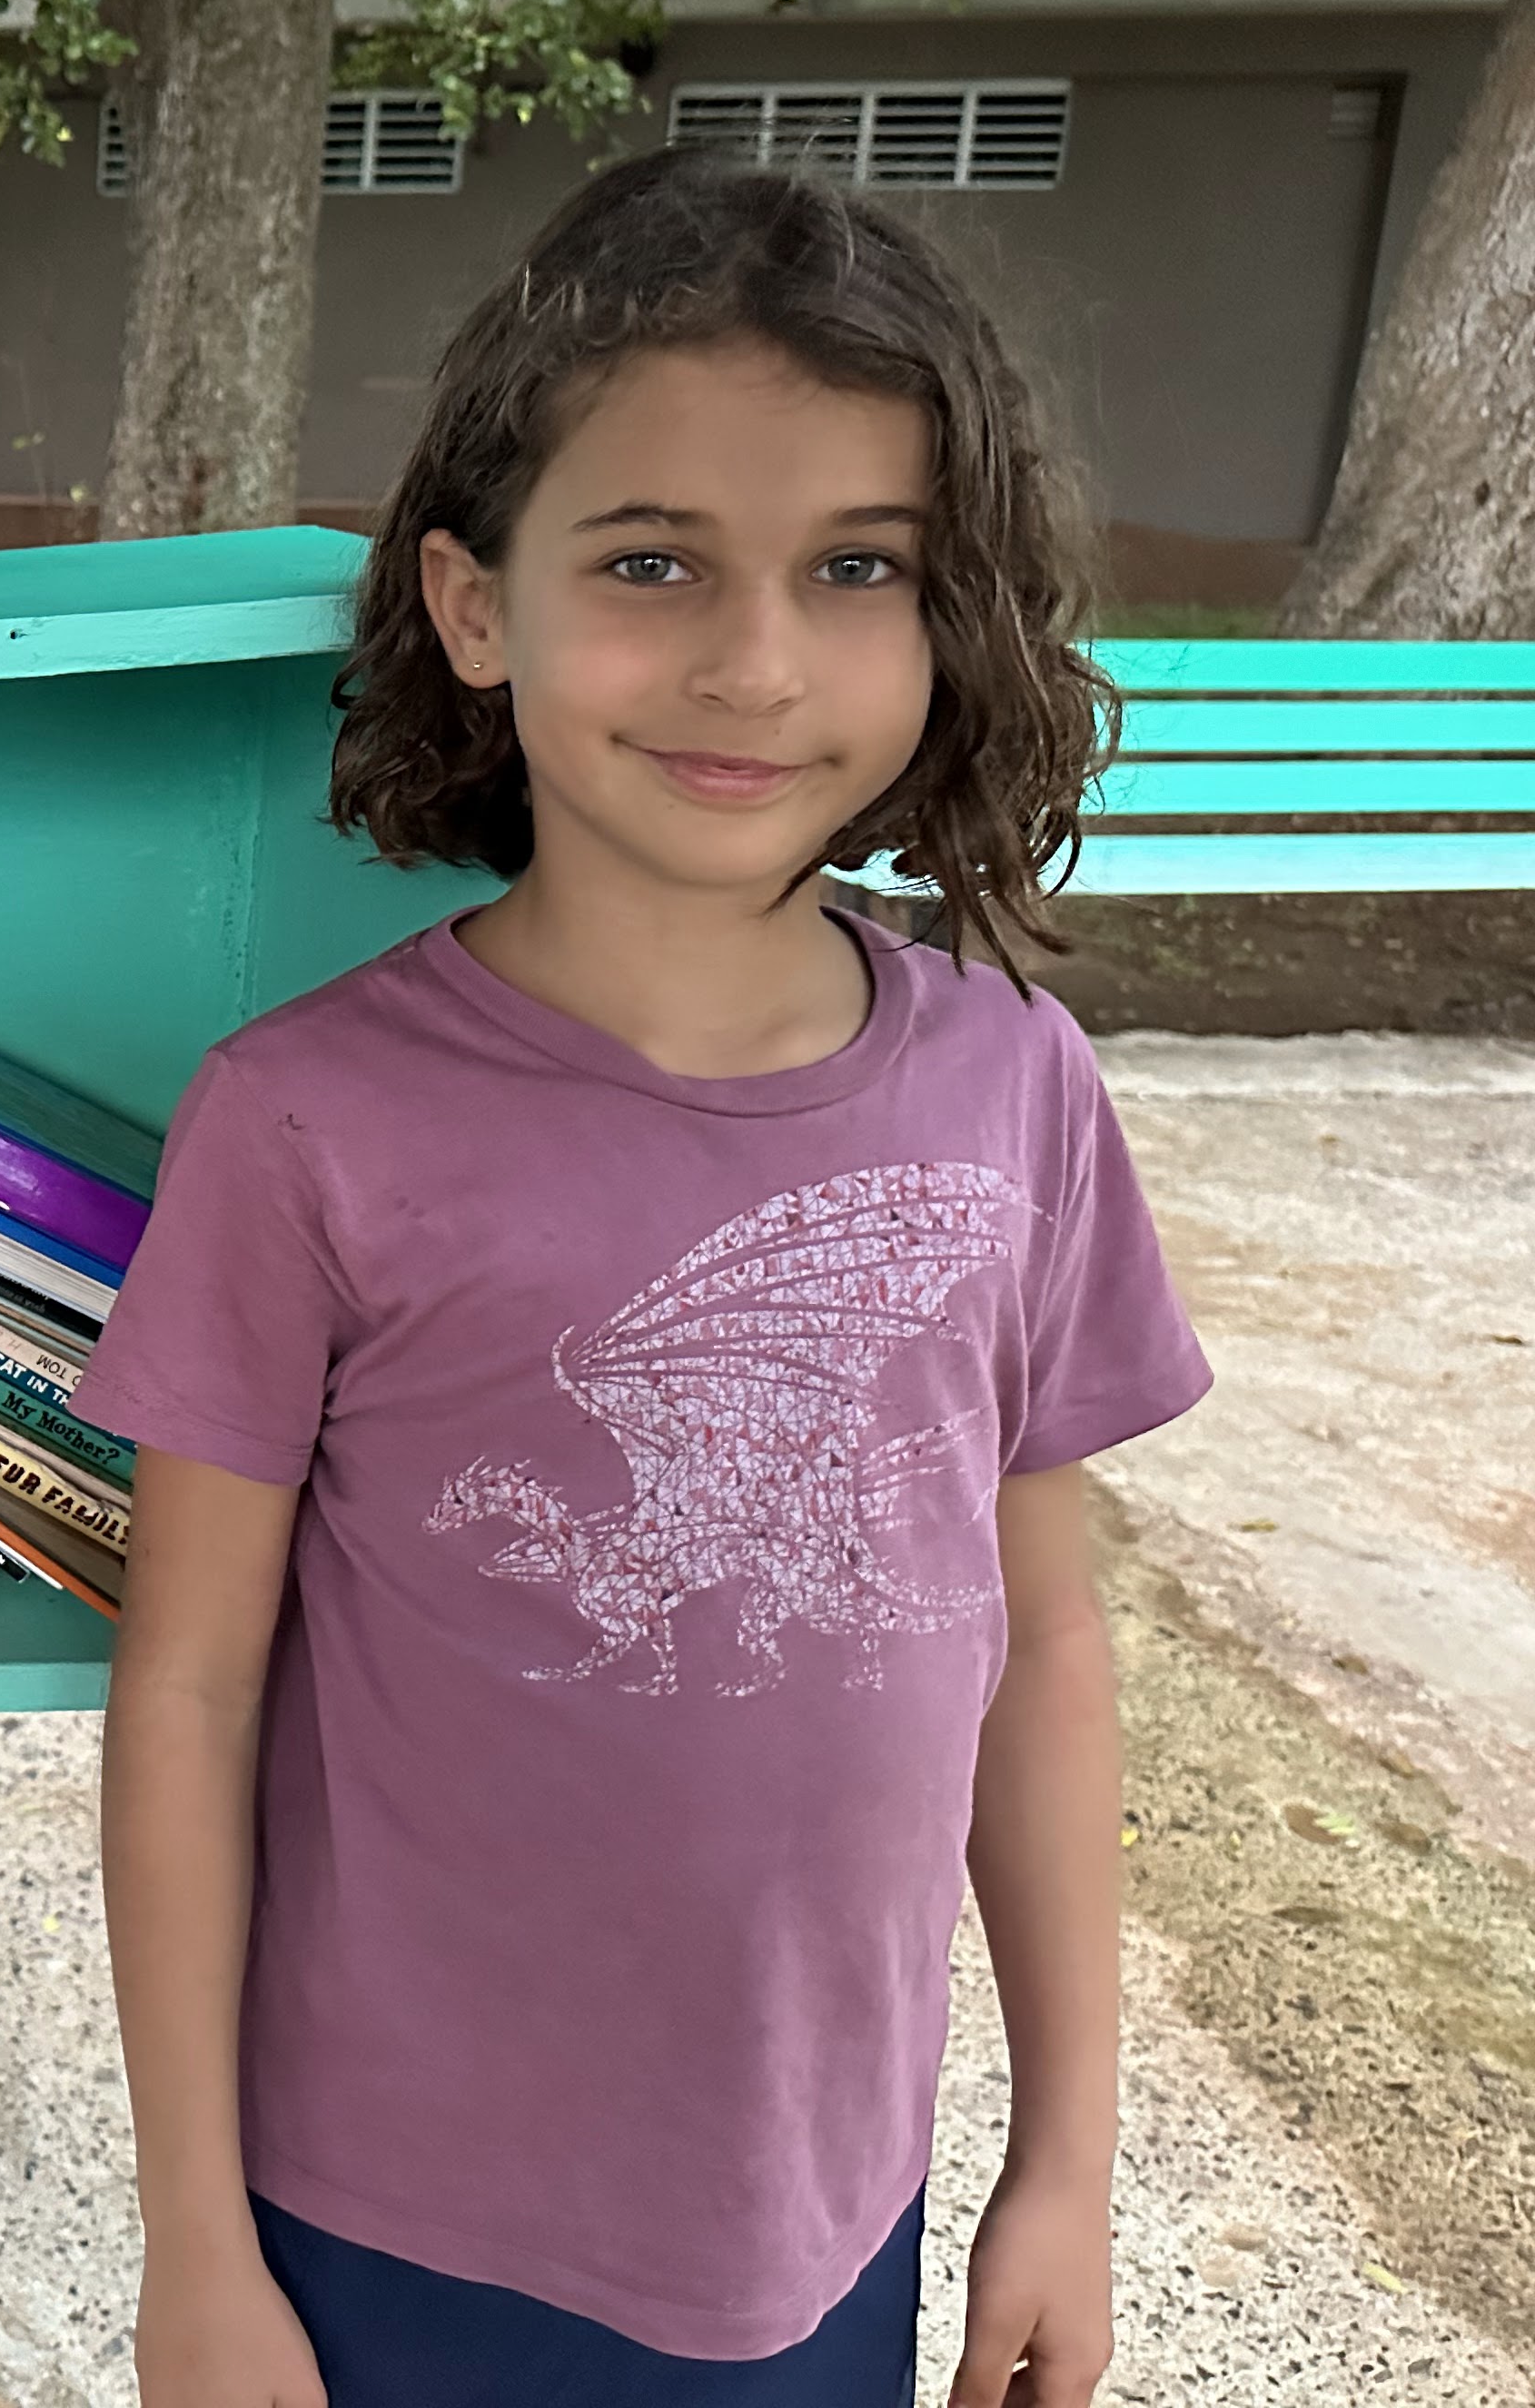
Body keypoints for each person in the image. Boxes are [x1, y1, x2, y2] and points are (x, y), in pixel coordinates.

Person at [70, 145, 1212, 2408]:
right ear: (478, 608)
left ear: (942, 614)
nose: (755, 661)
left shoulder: (1013, 1094)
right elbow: (189, 1697)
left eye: (855, 566)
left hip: (829, 2215)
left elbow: (1045, 1642)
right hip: (388, 2233)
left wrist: (1065, 2159)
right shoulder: (310, 1126)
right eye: (653, 559)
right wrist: (195, 2247)